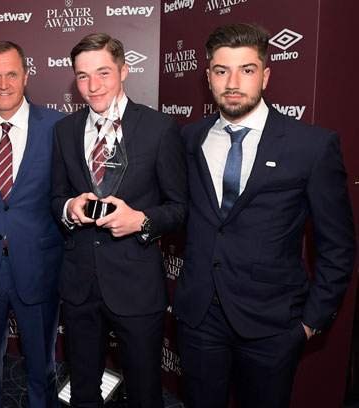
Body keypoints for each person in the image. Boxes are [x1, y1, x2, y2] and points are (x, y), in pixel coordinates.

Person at [173, 23, 356, 408]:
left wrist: (308, 325)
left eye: (247, 70)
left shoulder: (313, 145)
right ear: (208, 77)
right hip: (200, 319)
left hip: (273, 326)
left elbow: (338, 247)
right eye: (222, 71)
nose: (233, 82)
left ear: (266, 75)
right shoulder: (191, 137)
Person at [50, 33, 188, 408]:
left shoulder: (159, 127)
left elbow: (179, 207)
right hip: (79, 284)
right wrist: (69, 209)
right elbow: (55, 198)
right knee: (82, 392)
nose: (93, 86)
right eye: (82, 76)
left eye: (103, 73)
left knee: (144, 394)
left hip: (137, 285)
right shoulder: (64, 130)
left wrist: (141, 220)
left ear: (125, 70)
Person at [0, 41, 65, 408]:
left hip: (38, 265)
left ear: (26, 75)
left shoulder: (57, 126)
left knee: (42, 367)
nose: (3, 83)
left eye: (11, 73)